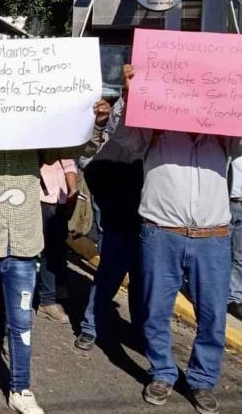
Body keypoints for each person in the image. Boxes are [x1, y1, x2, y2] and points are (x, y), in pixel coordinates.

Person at [0, 99, 111, 414]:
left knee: (21, 321)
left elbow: (74, 150)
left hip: (24, 241)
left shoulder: (37, 137)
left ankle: (21, 389)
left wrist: (95, 122)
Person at [114, 64, 242, 414]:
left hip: (212, 236)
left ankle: (202, 380)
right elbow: (126, 145)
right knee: (155, 310)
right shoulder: (154, 127)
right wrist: (130, 97)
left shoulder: (224, 133)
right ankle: (162, 372)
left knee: (213, 314)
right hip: (161, 233)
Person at [75, 97, 144, 351]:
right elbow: (96, 170)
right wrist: (111, 206)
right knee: (108, 277)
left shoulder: (167, 143)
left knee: (145, 282)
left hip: (157, 225)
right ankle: (90, 327)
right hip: (123, 219)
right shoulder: (124, 133)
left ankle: (139, 332)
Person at [35, 159, 77, 323]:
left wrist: (73, 190)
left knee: (57, 247)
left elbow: (68, 163)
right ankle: (47, 300)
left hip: (60, 197)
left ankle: (56, 288)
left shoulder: (62, 137)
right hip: (41, 196)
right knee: (49, 250)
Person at [230, 156, 242, 321]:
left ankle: (234, 298)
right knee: (219, 253)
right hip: (227, 201)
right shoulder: (230, 141)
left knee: (240, 256)